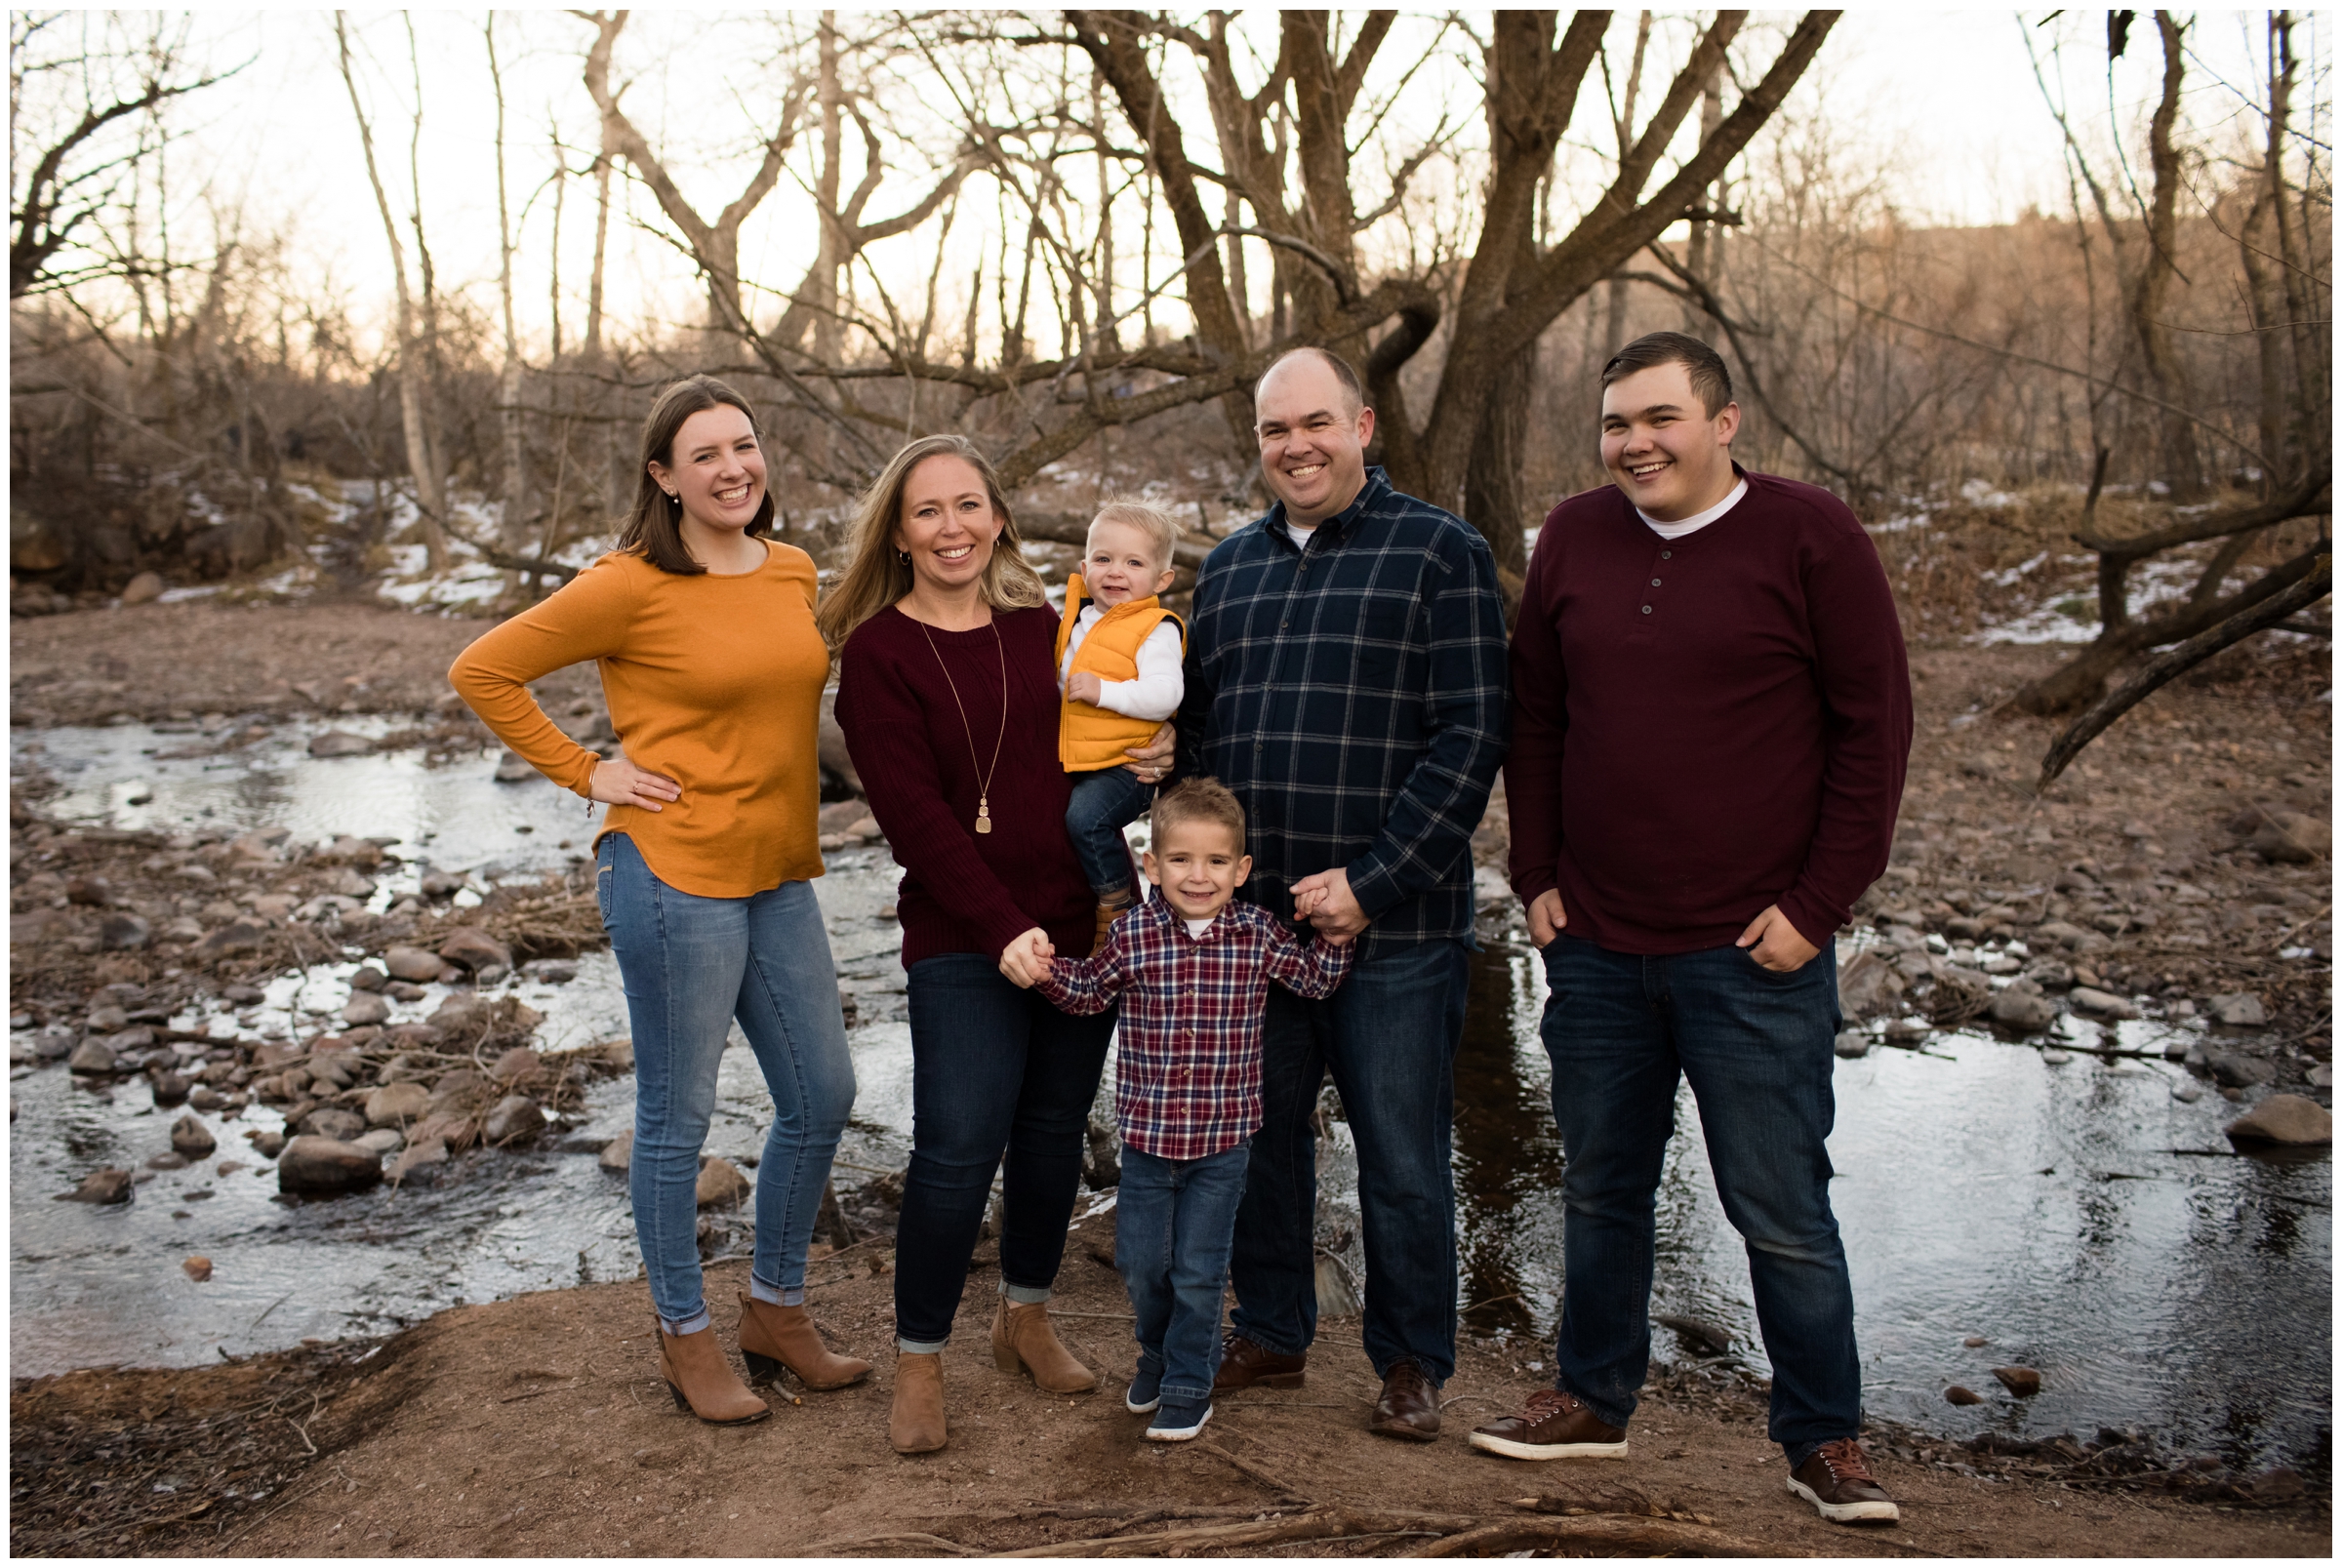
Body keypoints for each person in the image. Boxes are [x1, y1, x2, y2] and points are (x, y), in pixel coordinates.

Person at [1474, 332, 1913, 1527]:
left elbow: (1874, 732)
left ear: (1724, 424)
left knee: (1780, 1205)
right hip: (1602, 941)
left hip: (1753, 950)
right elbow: (1540, 718)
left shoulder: (1811, 535)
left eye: (1660, 419)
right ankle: (1592, 1399)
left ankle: (1822, 1438)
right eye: (1617, 423)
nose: (1636, 444)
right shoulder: (1572, 535)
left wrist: (1820, 906)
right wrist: (1539, 870)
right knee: (1602, 1184)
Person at [449, 374, 865, 1427]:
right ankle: (685, 1334)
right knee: (676, 1121)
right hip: (671, 872)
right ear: (664, 477)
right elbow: (483, 669)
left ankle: (775, 1308)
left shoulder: (792, 568)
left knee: (821, 1093)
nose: (733, 467)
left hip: (778, 872)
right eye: (706, 455)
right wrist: (590, 771)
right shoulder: (626, 583)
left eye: (744, 444)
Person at [1160, 344, 1510, 1442]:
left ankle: (1411, 1360)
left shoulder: (1441, 553)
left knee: (1401, 1154)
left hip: (1396, 926)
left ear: (1363, 426)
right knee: (1259, 1136)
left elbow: (1470, 737)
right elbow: (1204, 740)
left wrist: (1373, 881)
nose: (1295, 446)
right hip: (1252, 926)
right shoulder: (1228, 569)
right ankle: (1272, 1326)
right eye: (1274, 431)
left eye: (1315, 423)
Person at [823, 433, 1148, 1456]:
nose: (952, 527)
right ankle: (921, 1356)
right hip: (962, 933)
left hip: (1076, 924)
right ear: (901, 530)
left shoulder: (1046, 631)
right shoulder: (876, 653)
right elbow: (914, 817)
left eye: (969, 505)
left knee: (1053, 1133)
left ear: (999, 516)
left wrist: (1158, 749)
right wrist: (1002, 927)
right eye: (928, 511)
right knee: (959, 1143)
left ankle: (1026, 1314)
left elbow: (1106, 736)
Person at [1025, 779, 1354, 1442]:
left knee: (1200, 1269)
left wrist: (1334, 928)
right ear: (1151, 864)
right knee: (1143, 1265)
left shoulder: (1256, 934)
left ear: (1241, 870)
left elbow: (1314, 980)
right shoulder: (1135, 934)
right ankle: (1156, 1350)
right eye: (1180, 859)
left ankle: (1187, 1380)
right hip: (1147, 1142)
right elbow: (1090, 992)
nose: (1196, 876)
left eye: (1214, 862)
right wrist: (1046, 969)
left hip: (1224, 1144)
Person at [1055, 500, 1185, 949]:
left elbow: (1167, 695)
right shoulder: (1075, 620)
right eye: (1104, 559)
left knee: (1087, 820)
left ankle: (1117, 907)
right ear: (1084, 566)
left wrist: (1104, 692)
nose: (1116, 572)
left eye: (1134, 562)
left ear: (1162, 579)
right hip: (1082, 757)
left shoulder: (1155, 628)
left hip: (1127, 764)